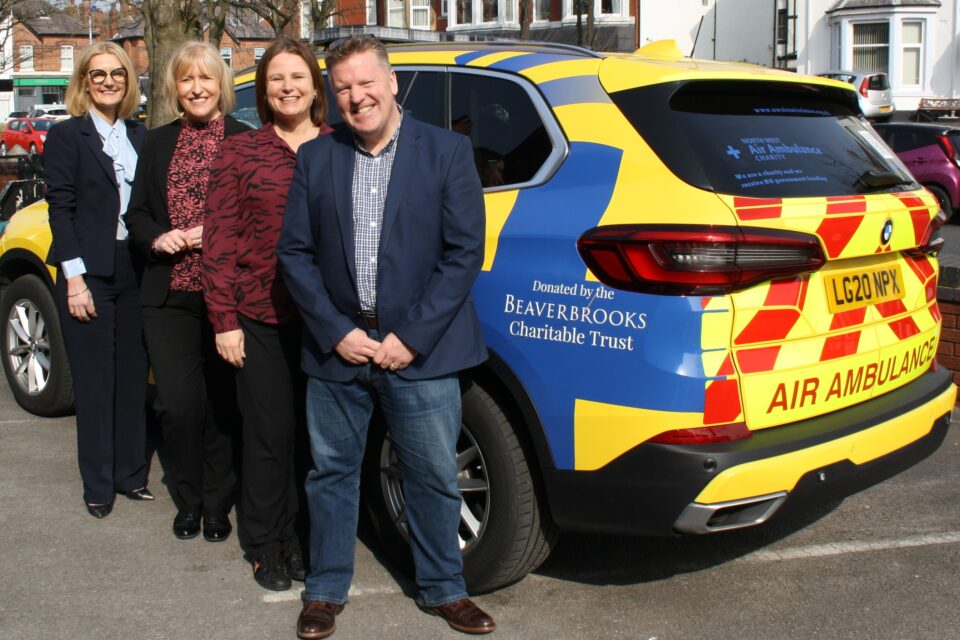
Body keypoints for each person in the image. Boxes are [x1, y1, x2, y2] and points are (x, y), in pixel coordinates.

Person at [277, 35, 496, 638]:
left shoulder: (448, 151)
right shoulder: (318, 158)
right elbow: (294, 255)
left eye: (365, 82)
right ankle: (325, 591)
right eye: (342, 87)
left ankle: (446, 590)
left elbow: (462, 256)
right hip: (339, 350)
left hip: (418, 352)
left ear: (392, 81)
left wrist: (412, 338)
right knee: (331, 474)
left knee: (431, 473)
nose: (355, 97)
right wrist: (335, 330)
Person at [202, 37, 332, 591]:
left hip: (330, 322)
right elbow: (219, 242)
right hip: (260, 316)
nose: (287, 87)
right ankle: (265, 542)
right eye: (276, 78)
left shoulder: (338, 146)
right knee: (268, 436)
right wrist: (224, 321)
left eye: (297, 76)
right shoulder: (241, 152)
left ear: (314, 85)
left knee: (317, 440)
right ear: (263, 88)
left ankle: (304, 537)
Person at [126, 41, 245, 542]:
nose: (196, 89)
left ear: (221, 85)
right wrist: (158, 236)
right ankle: (188, 498)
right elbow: (136, 214)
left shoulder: (245, 140)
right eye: (186, 80)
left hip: (228, 297)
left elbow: (261, 221)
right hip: (168, 294)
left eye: (206, 79)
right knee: (176, 405)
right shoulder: (156, 142)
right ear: (175, 88)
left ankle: (217, 505)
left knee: (222, 404)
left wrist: (215, 234)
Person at [44, 42, 151, 518]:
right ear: (84, 82)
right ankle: (99, 484)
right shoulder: (68, 136)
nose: (108, 81)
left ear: (128, 82)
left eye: (118, 74)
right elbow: (60, 211)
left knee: (132, 378)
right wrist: (74, 279)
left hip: (136, 267)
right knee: (95, 381)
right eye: (98, 74)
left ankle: (131, 475)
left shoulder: (140, 136)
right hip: (90, 271)